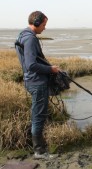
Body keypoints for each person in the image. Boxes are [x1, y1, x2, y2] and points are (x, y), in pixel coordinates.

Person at [15, 11, 60, 160]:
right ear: (36, 23)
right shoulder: (30, 39)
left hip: (32, 81)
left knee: (37, 116)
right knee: (38, 117)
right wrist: (50, 69)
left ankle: (39, 148)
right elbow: (31, 65)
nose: (44, 28)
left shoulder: (23, 35)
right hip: (37, 83)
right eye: (44, 25)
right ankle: (40, 152)